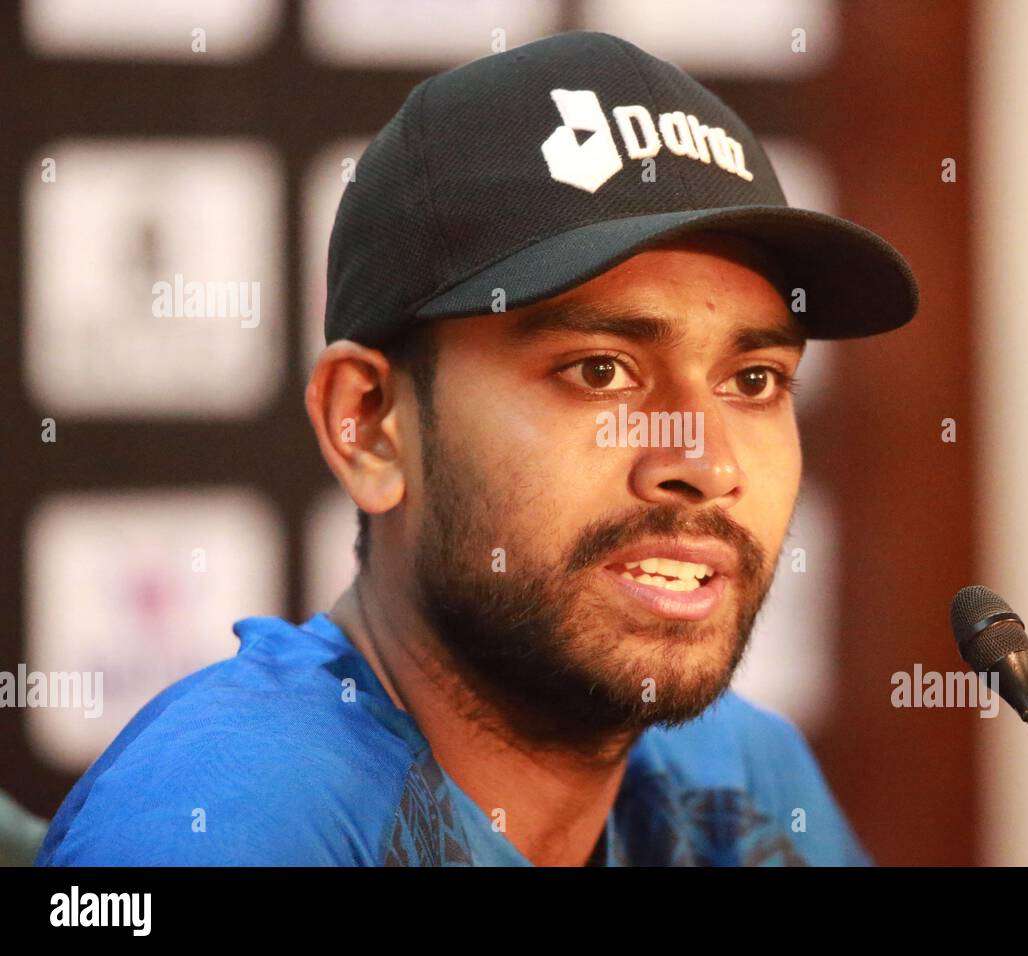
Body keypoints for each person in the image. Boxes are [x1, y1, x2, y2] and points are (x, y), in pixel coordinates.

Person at [37, 30, 916, 866]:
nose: (705, 462)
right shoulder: (234, 818)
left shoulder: (740, 773)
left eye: (753, 381)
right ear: (370, 423)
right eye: (601, 370)